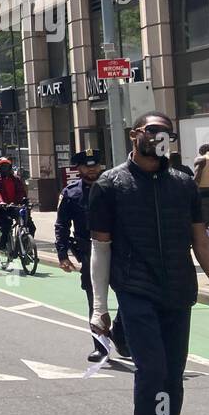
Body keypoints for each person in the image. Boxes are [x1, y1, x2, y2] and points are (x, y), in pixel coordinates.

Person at [89, 112, 209, 415]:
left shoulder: (183, 184)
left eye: (167, 134)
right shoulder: (111, 184)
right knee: (153, 371)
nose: (160, 139)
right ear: (135, 135)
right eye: (154, 132)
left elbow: (201, 241)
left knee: (173, 377)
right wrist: (99, 306)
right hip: (136, 290)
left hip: (178, 291)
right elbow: (101, 246)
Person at [55, 150, 128, 363]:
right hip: (89, 253)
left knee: (128, 294)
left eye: (95, 165)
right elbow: (61, 225)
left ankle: (119, 334)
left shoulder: (114, 189)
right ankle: (101, 347)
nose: (92, 169)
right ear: (78, 169)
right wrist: (62, 255)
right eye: (87, 166)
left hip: (119, 250)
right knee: (95, 301)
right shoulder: (71, 193)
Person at [0, 157, 28, 257]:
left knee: (29, 224)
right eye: (3, 166)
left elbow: (21, 191)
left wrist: (24, 200)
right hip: (1, 208)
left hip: (14, 206)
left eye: (7, 166)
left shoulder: (16, 179)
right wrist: (0, 202)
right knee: (7, 223)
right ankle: (2, 246)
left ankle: (27, 247)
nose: (5, 169)